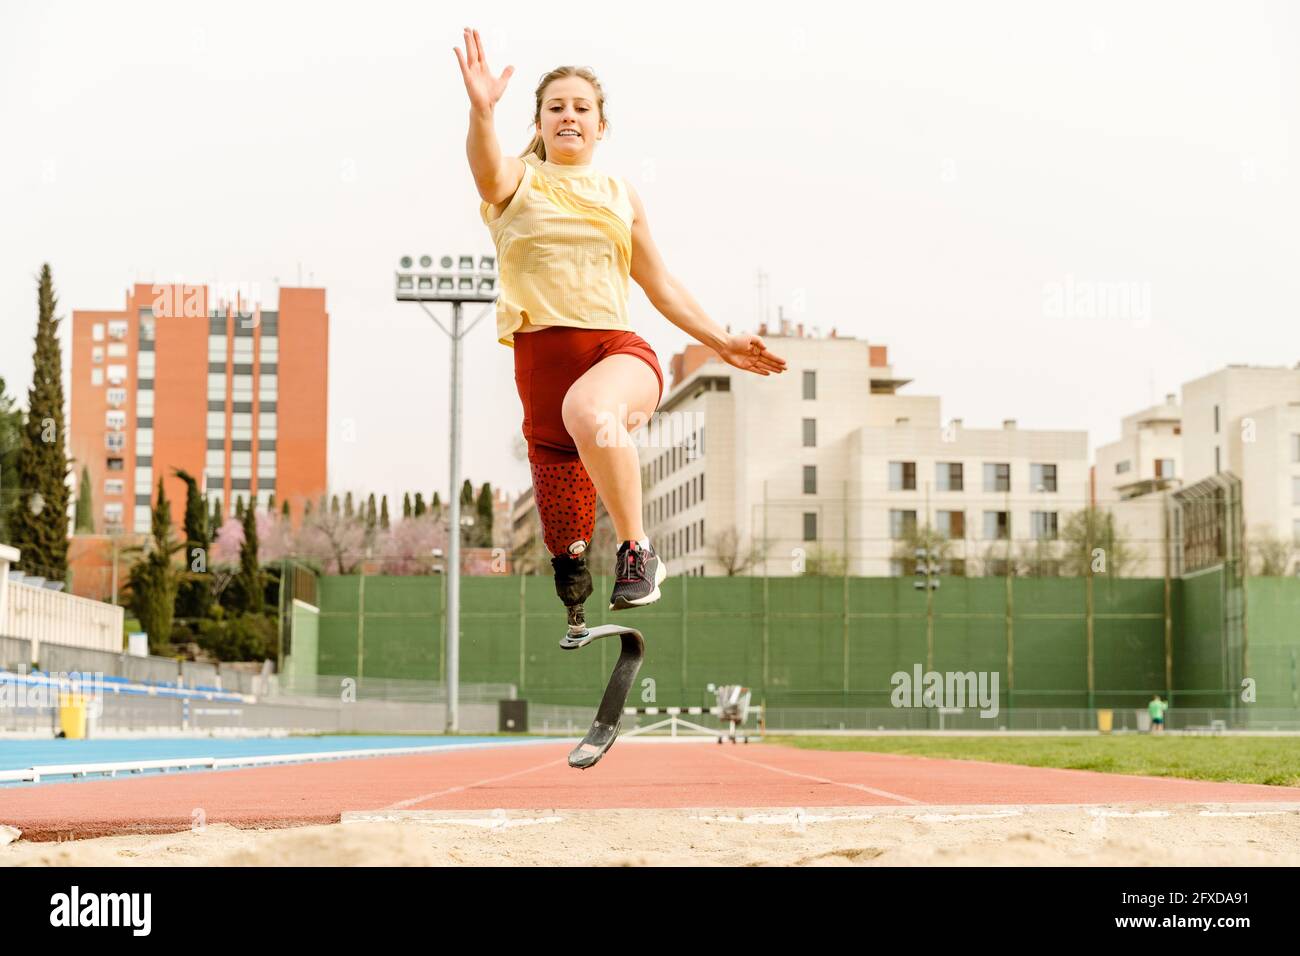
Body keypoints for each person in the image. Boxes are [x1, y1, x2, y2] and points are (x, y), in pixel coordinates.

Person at [455, 28, 787, 632]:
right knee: (567, 553)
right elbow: (485, 166)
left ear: (601, 126)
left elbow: (658, 281)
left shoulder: (619, 193)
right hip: (541, 386)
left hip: (617, 356)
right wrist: (482, 112)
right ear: (539, 122)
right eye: (556, 107)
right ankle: (580, 590)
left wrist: (721, 340)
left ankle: (638, 551)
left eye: (583, 108)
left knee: (591, 408)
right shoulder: (514, 184)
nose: (570, 116)